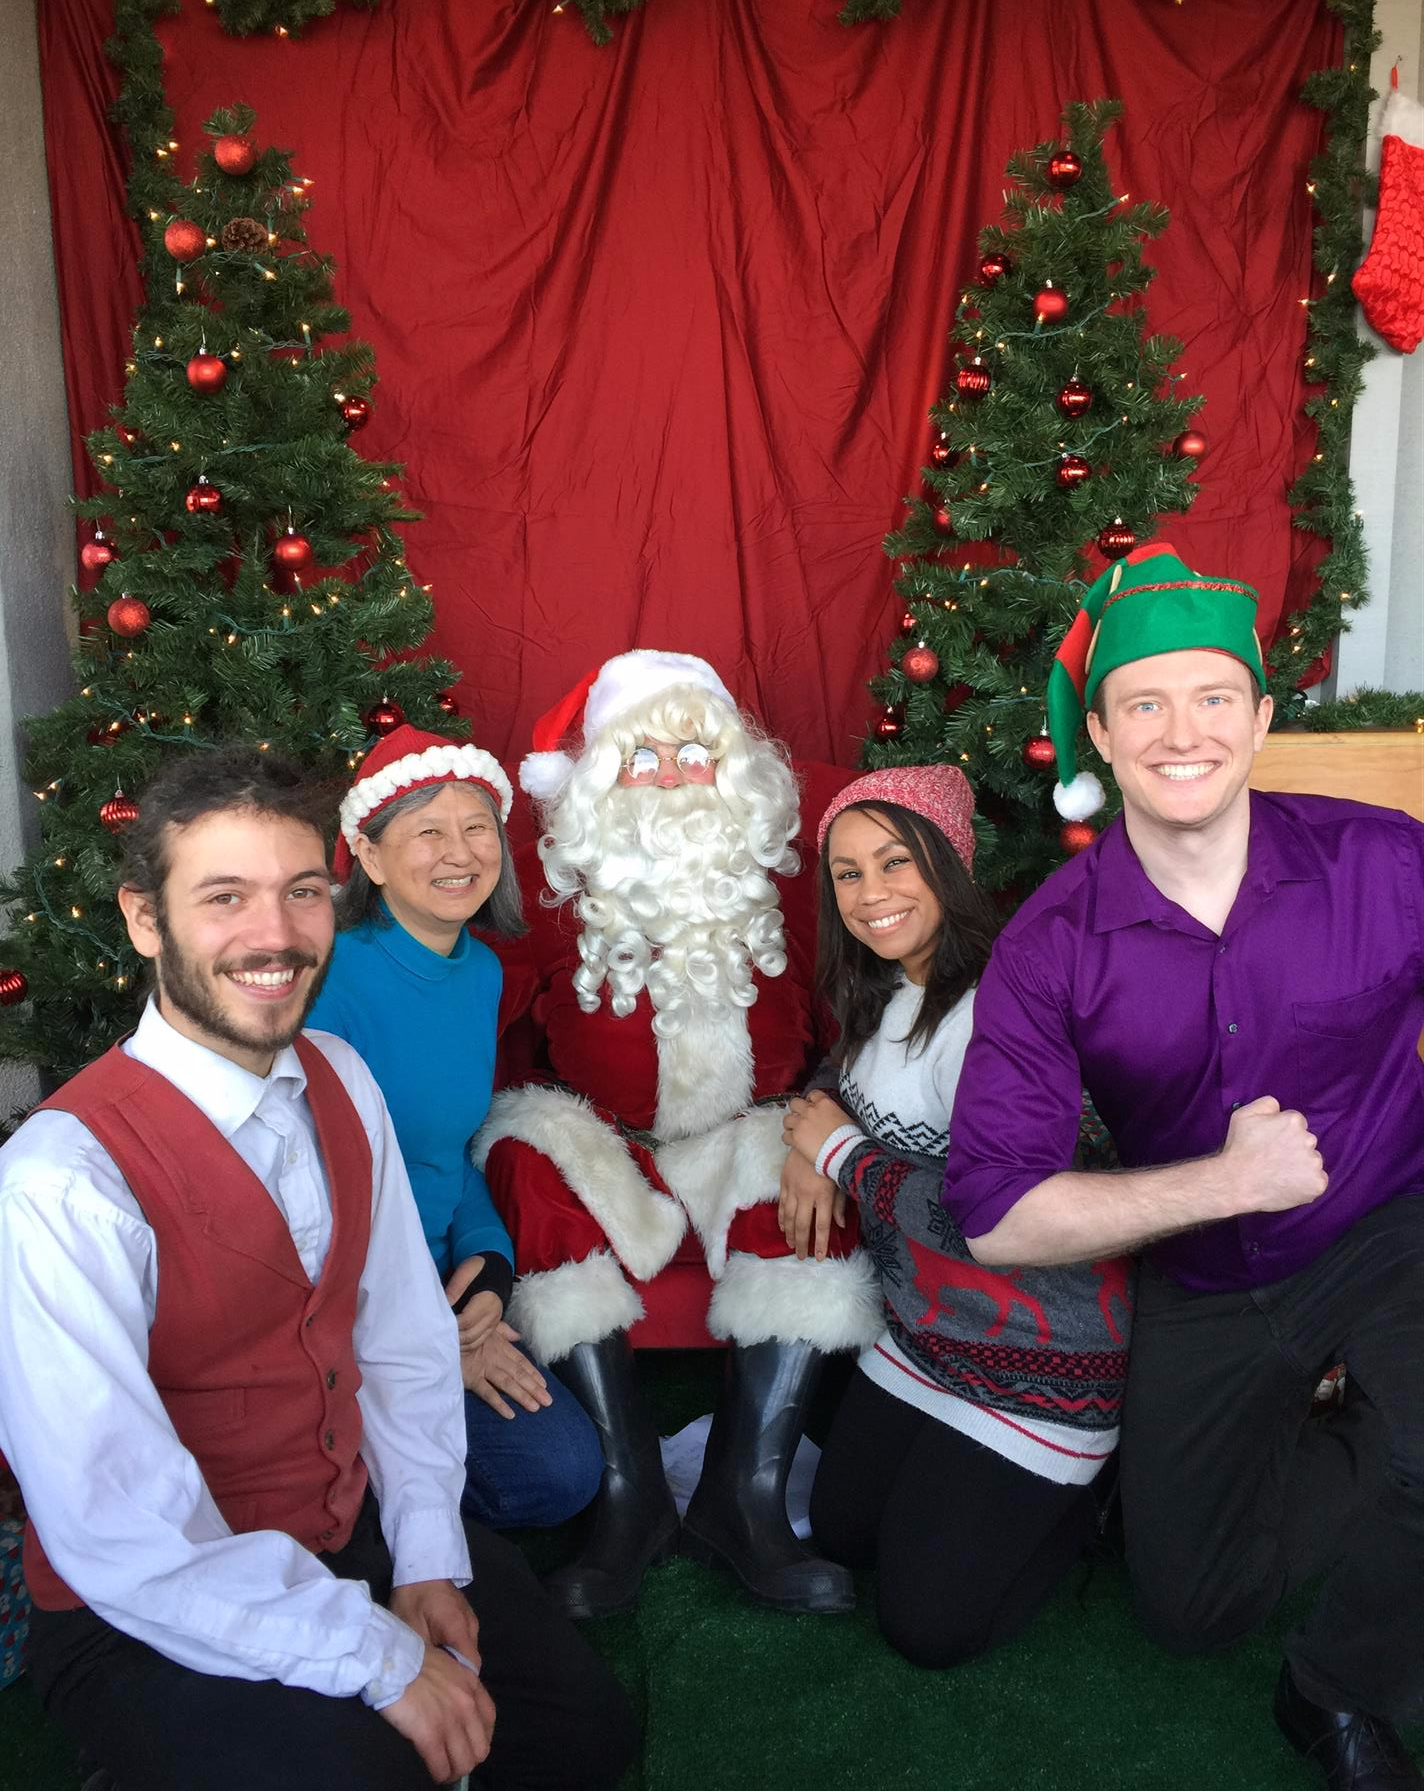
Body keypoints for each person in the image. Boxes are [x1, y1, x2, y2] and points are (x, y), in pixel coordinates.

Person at [0, 747, 635, 1791]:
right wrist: (373, 1655)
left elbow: (399, 1337)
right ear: (146, 920)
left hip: (349, 1525)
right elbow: (121, 1528)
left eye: (298, 893)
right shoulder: (59, 1186)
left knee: (583, 1736)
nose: (274, 936)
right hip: (144, 1602)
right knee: (371, 1769)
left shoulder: (339, 1077)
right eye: (225, 897)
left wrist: (425, 1552)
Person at [945, 544, 1424, 1791]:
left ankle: (1336, 1691)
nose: (1183, 732)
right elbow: (993, 1213)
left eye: (1215, 696)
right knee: (1190, 1610)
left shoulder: (1385, 862)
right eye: (1144, 704)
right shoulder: (1051, 946)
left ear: (1264, 717)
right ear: (1098, 735)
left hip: (1389, 1227)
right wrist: (1223, 1182)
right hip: (1210, 1277)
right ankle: (1368, 1438)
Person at [477, 649, 881, 1617]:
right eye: (641, 756)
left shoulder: (788, 881)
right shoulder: (552, 885)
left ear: (731, 768)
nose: (666, 776)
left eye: (690, 754)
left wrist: (818, 1128)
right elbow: (496, 1037)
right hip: (603, 1140)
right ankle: (630, 1492)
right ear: (603, 776)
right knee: (527, 1155)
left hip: (750, 1128)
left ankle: (745, 1496)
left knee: (804, 1180)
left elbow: (851, 1030)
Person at [777, 764, 1133, 1669]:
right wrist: (810, 1132)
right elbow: (849, 1077)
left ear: (949, 863)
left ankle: (1085, 1506)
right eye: (848, 873)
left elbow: (1001, 1213)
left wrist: (839, 1158)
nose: (870, 894)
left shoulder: (995, 1014)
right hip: (928, 1339)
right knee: (844, 1532)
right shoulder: (889, 985)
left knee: (927, 1625)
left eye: (896, 862)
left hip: (1044, 1360)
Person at [311, 726, 603, 1531]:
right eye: (427, 830)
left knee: (574, 1467)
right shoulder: (328, 978)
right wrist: (431, 1337)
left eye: (477, 827)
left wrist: (488, 1266)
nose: (460, 851)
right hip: (355, 1307)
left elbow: (446, 1150)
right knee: (548, 1474)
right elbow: (313, 1197)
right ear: (367, 856)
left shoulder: (478, 970)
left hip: (445, 1289)